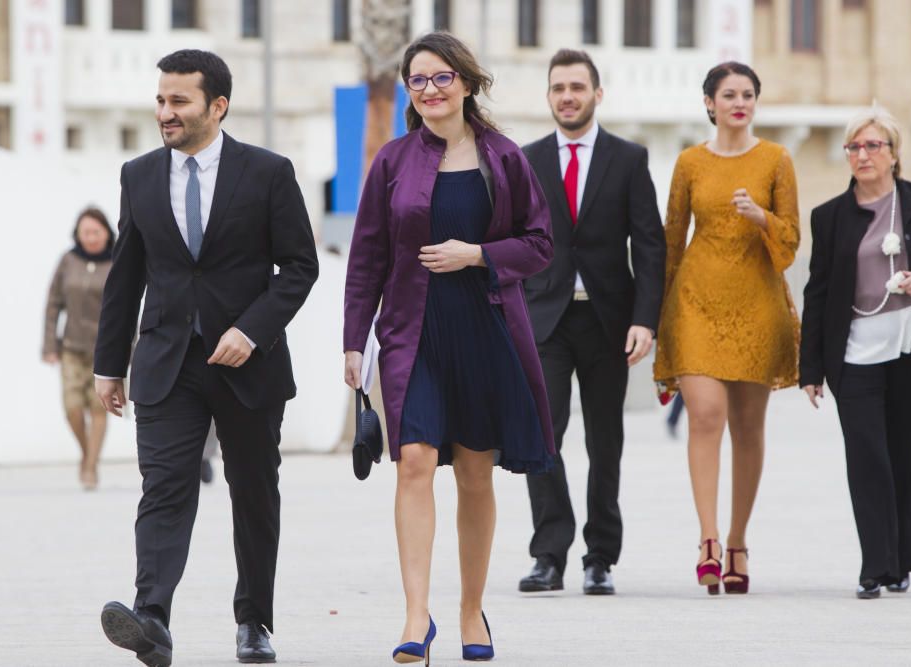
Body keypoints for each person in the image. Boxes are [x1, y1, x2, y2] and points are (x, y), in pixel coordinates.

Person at [94, 49, 319, 665]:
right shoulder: (139, 174)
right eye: (161, 99)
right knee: (164, 488)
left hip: (248, 362)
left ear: (217, 106)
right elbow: (127, 273)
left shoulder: (268, 172)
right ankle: (153, 620)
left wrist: (253, 330)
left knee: (252, 492)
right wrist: (109, 362)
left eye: (179, 101)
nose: (165, 111)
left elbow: (300, 266)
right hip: (166, 361)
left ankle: (255, 623)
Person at [343, 32, 554, 664]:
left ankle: (470, 611)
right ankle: (416, 617)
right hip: (414, 332)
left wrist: (479, 254)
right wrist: (354, 341)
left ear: (465, 82)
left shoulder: (506, 158)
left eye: (441, 78)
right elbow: (367, 257)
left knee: (473, 473)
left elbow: (540, 245)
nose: (429, 90)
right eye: (417, 80)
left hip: (487, 331)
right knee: (412, 461)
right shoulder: (393, 160)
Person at [799, 106, 911, 599]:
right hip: (855, 353)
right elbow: (818, 290)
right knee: (866, 456)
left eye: (873, 145)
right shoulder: (829, 215)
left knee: (902, 455)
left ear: (894, 154)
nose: (863, 154)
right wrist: (810, 367)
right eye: (854, 146)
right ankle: (875, 566)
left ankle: (901, 562)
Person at [518, 48, 665, 596]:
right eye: (558, 88)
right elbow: (511, 240)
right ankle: (548, 554)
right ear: (550, 96)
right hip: (545, 322)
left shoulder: (628, 159)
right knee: (541, 437)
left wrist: (645, 320)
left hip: (609, 323)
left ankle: (600, 555)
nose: (567, 96)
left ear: (596, 94)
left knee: (606, 442)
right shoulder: (526, 160)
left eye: (577, 87)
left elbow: (650, 247)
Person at [653, 62, 800, 595]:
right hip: (694, 301)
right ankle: (708, 540)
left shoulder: (776, 160)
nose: (739, 102)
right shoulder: (690, 161)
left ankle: (739, 540)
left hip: (757, 303)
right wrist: (658, 315)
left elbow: (790, 244)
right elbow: (672, 238)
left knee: (747, 426)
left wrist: (761, 216)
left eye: (748, 94)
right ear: (710, 103)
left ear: (756, 103)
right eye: (728, 94)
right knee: (706, 415)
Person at [42, 207, 115, 490]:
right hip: (71, 347)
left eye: (96, 232)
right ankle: (87, 455)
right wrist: (50, 345)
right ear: (78, 234)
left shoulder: (117, 262)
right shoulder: (68, 261)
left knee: (99, 408)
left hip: (104, 350)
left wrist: (129, 349)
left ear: (107, 233)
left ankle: (90, 466)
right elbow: (53, 303)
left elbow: (127, 309)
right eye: (86, 232)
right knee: (72, 407)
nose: (91, 237)